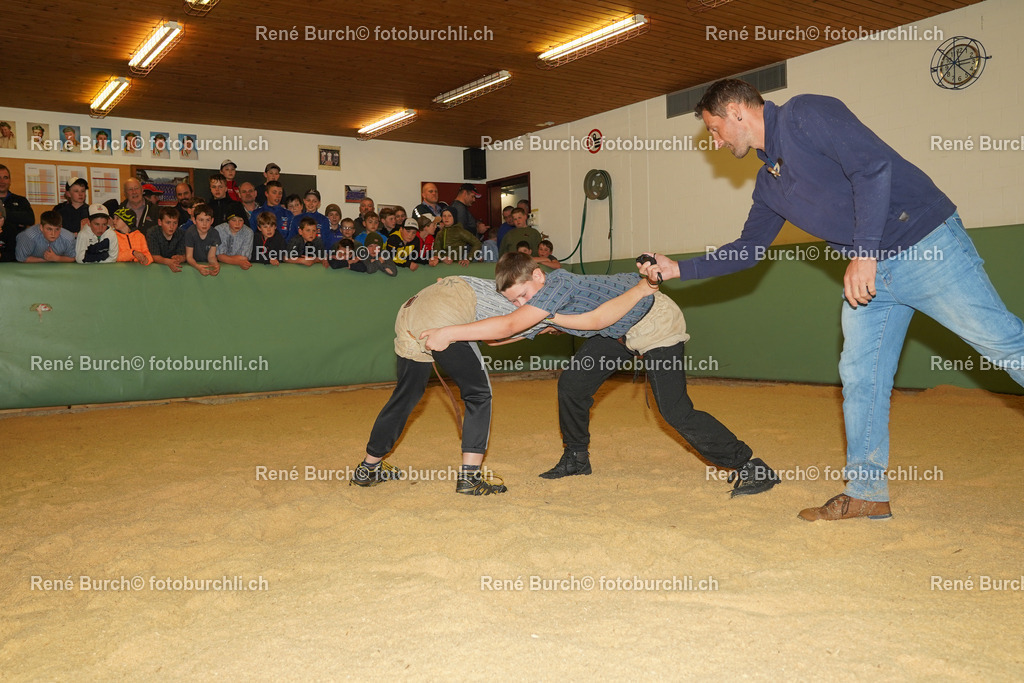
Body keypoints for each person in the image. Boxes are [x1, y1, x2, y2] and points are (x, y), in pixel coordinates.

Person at [639, 78, 1024, 521]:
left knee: (1003, 343)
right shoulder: (770, 184)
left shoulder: (807, 114)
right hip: (871, 280)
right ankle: (866, 492)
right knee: (861, 376)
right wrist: (678, 269)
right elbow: (748, 249)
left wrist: (864, 252)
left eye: (713, 128)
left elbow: (873, 167)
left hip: (923, 246)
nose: (715, 141)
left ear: (737, 113)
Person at [421, 252, 780, 496]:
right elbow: (506, 336)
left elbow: (589, 321)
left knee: (673, 410)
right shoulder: (540, 299)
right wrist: (453, 325)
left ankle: (750, 465)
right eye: (514, 300)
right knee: (573, 384)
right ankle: (576, 458)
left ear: (538, 275)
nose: (521, 304)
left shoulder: (556, 286)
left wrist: (449, 334)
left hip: (652, 320)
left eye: (523, 295)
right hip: (616, 332)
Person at [352, 271, 659, 494]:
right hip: (446, 308)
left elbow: (496, 339)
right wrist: (448, 332)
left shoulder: (528, 310)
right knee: (478, 394)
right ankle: (470, 478)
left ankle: (368, 468)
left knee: (406, 394)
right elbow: (510, 325)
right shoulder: (543, 309)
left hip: (413, 308)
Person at [0, 164, 36, 262]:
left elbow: (30, 219)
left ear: (10, 180)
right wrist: (17, 220)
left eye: (5, 178)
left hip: (17, 253)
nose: (2, 181)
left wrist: (4, 214)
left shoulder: (20, 200)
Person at [183, 204, 220, 275]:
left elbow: (211, 256)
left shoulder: (214, 233)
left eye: (208, 220)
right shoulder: (190, 232)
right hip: (193, 266)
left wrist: (215, 265)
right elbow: (189, 257)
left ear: (212, 221)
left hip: (205, 265)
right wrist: (197, 267)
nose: (204, 224)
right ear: (194, 220)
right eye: (201, 220)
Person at [147, 207, 187, 272]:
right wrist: (168, 262)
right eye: (168, 223)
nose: (172, 226)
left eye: (175, 223)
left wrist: (179, 258)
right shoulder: (152, 233)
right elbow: (154, 256)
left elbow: (183, 255)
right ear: (160, 222)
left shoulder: (181, 233)